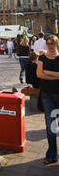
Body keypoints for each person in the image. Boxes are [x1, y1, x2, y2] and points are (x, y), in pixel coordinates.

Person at [36, 34, 59, 165]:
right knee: (51, 126)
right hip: (47, 96)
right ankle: (52, 154)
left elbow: (44, 73)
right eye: (48, 43)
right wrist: (56, 76)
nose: (50, 46)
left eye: (53, 43)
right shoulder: (42, 57)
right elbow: (39, 74)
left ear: (57, 44)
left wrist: (47, 73)